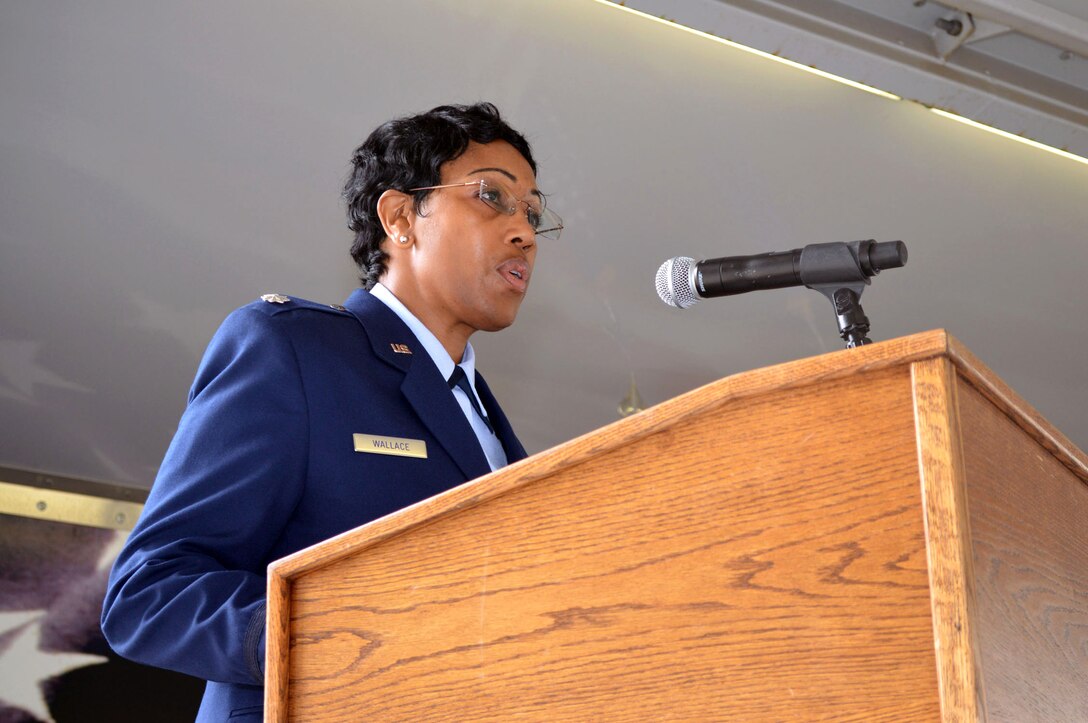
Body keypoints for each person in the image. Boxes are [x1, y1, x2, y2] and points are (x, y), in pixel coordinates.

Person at [100, 102, 562, 722]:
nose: (524, 231)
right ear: (400, 218)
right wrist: (346, 639)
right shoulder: (294, 351)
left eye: (532, 212)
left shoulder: (483, 420)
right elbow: (151, 591)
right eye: (492, 197)